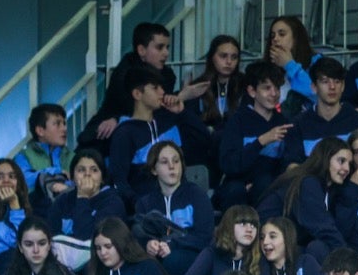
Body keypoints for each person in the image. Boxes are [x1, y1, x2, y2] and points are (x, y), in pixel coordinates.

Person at [106, 65, 209, 206]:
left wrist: (182, 112)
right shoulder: (125, 133)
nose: (162, 92)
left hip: (180, 202)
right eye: (155, 88)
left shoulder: (171, 121)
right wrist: (139, 204)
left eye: (161, 87)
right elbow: (119, 181)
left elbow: (204, 140)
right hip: (146, 210)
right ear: (137, 94)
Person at [215, 61, 294, 208]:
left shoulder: (284, 122)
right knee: (235, 190)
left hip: (268, 187)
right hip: (237, 188)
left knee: (267, 184)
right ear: (252, 91)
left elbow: (285, 166)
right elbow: (228, 164)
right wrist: (260, 142)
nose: (274, 93)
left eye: (277, 87)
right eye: (267, 88)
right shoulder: (238, 121)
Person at [263, 136, 354, 261]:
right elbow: (322, 226)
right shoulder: (308, 182)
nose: (347, 169)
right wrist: (349, 259)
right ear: (325, 159)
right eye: (341, 161)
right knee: (318, 248)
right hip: (263, 245)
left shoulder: (324, 187)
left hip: (281, 245)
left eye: (349, 164)